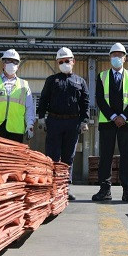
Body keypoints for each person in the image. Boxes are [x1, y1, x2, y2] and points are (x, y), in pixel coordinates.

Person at [37, 47, 90, 201]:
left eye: (67, 60)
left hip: (72, 123)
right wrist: (41, 117)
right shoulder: (51, 80)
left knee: (69, 156)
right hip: (54, 121)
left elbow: (85, 103)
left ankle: (65, 187)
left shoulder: (80, 81)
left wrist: (84, 121)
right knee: (52, 156)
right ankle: (51, 187)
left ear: (73, 61)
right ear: (57, 63)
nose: (64, 63)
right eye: (61, 61)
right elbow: (43, 99)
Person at [92, 43, 128, 202]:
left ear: (125, 58)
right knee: (105, 156)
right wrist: (113, 116)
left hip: (126, 124)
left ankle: (127, 190)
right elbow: (99, 99)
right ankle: (105, 190)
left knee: (126, 157)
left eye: (120, 55)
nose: (117, 58)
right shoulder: (102, 76)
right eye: (114, 55)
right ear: (109, 58)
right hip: (107, 122)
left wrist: (123, 117)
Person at [0, 49, 35, 142]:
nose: (11, 64)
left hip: (16, 130)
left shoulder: (24, 85)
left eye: (15, 62)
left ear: (18, 66)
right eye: (8, 61)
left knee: (13, 156)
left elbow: (29, 108)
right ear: (3, 63)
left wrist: (30, 124)